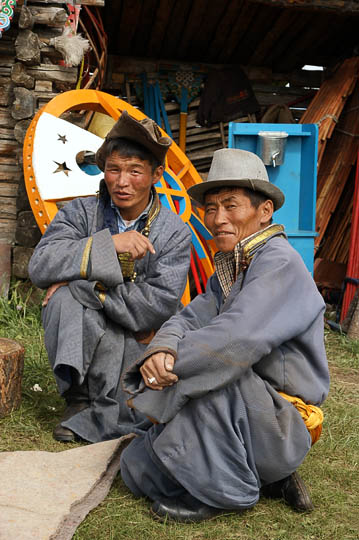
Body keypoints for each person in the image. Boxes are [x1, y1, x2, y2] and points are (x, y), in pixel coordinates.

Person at [120, 148, 330, 523]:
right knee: (136, 469)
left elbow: (237, 339)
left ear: (264, 211)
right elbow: (188, 317)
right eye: (211, 208)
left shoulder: (279, 262)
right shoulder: (234, 266)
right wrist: (163, 350)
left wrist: (170, 368)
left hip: (278, 421)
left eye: (231, 206)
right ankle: (270, 477)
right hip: (245, 411)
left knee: (215, 371)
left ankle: (229, 491)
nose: (218, 219)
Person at [28, 111, 192, 443]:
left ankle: (99, 406)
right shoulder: (80, 213)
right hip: (88, 327)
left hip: (136, 336)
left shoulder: (174, 232)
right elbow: (41, 265)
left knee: (73, 293)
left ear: (156, 174)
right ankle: (77, 398)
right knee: (60, 300)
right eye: (114, 169)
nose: (122, 182)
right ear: (103, 171)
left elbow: (158, 305)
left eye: (135, 171)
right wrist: (108, 246)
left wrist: (90, 287)